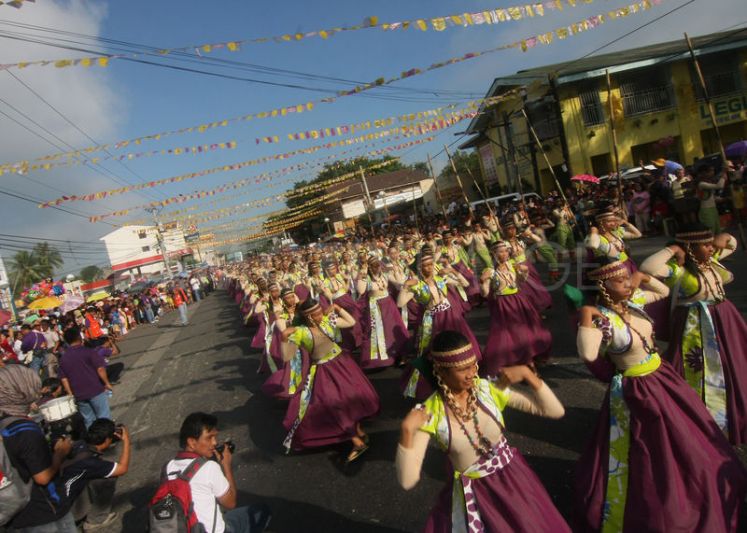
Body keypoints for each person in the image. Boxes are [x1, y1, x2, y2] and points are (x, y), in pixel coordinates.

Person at [573, 259, 746, 532]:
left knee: (689, 431)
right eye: (620, 280)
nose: (627, 283)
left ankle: (697, 476)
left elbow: (663, 293)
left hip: (662, 377)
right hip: (638, 390)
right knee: (650, 446)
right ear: (603, 287)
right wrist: (585, 317)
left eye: (626, 277)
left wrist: (641, 276)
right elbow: (588, 354)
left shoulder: (633, 302)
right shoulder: (604, 322)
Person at [395, 330, 569, 532]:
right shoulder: (431, 412)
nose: (472, 374)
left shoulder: (486, 390)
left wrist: (528, 375)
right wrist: (407, 432)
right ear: (441, 372)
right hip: (477, 496)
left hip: (516, 483)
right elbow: (408, 481)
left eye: (473, 365)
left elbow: (555, 411)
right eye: (462, 369)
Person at [640, 226, 747, 444]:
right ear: (689, 248)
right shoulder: (678, 270)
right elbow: (647, 267)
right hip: (695, 326)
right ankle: (702, 417)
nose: (710, 248)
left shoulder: (711, 258)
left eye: (710, 244)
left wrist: (720, 239)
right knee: (702, 369)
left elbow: (732, 243)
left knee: (733, 364)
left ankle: (735, 412)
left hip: (725, 320)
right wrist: (673, 249)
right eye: (705, 245)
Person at [280, 299, 380, 462]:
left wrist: (338, 308)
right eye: (317, 313)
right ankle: (356, 441)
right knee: (335, 405)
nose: (322, 314)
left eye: (321, 311)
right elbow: (287, 356)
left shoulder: (328, 321)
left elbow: (351, 322)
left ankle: (358, 432)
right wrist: (284, 338)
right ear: (309, 317)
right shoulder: (300, 332)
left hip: (343, 364)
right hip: (324, 371)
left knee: (352, 397)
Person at [165, 413, 271, 533]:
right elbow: (230, 503)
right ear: (192, 442)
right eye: (209, 438)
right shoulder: (209, 468)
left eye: (215, 437)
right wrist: (226, 464)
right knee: (262, 510)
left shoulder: (168, 467)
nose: (215, 443)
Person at [0, 364, 75, 532]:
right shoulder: (26, 431)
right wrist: (60, 453)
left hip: (15, 510)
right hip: (44, 511)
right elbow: (42, 477)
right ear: (22, 389)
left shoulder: (5, 424)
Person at [479, 241, 551, 375]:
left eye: (506, 251)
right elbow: (485, 293)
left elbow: (521, 282)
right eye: (501, 251)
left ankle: (531, 359)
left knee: (531, 330)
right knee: (513, 336)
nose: (505, 254)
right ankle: (527, 364)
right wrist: (483, 282)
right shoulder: (489, 271)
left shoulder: (513, 265)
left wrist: (524, 272)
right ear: (493, 254)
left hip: (519, 301)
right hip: (504, 305)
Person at [59, 419, 130, 531]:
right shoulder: (90, 462)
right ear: (107, 440)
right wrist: (126, 441)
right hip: (64, 512)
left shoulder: (79, 444)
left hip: (56, 499)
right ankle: (96, 520)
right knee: (109, 478)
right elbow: (122, 469)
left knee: (94, 475)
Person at [58, 326, 113, 429]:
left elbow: (64, 378)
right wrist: (107, 383)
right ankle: (107, 437)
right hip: (95, 388)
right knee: (103, 416)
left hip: (78, 393)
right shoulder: (88, 351)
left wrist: (70, 393)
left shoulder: (63, 358)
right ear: (79, 337)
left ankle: (94, 441)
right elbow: (100, 369)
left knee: (88, 419)